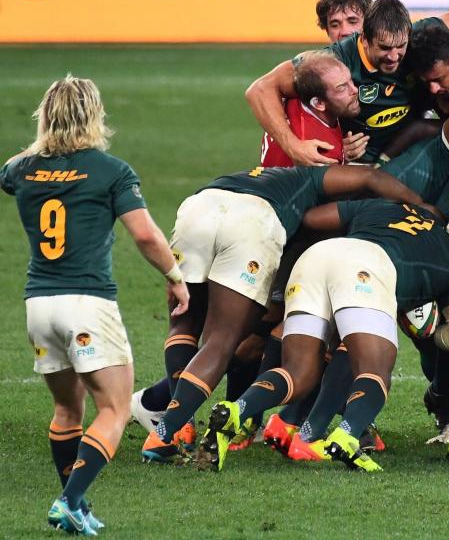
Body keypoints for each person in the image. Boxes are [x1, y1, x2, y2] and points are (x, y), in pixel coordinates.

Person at [1, 75, 189, 535]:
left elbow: (13, 169)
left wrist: (43, 149)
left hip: (38, 306)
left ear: (45, 115)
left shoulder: (20, 169)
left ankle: (77, 505)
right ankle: (68, 499)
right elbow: (145, 234)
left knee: (68, 410)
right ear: (94, 115)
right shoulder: (110, 170)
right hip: (87, 303)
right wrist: (175, 277)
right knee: (115, 408)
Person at [139, 163, 427, 462]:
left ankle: (180, 427)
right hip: (252, 220)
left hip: (199, 207)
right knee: (221, 340)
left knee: (185, 322)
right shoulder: (312, 179)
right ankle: (164, 432)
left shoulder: (265, 174)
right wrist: (421, 208)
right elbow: (370, 175)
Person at [196, 198, 449, 472]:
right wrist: (436, 327)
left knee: (298, 373)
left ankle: (237, 410)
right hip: (367, 270)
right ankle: (347, 435)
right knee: (374, 370)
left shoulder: (379, 206)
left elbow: (313, 218)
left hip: (317, 256)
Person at [246, 0, 449, 166]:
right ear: (364, 39)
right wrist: (294, 147)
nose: (395, 56)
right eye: (384, 48)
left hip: (420, 144)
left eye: (401, 47)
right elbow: (260, 89)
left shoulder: (417, 35)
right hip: (366, 164)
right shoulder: (335, 61)